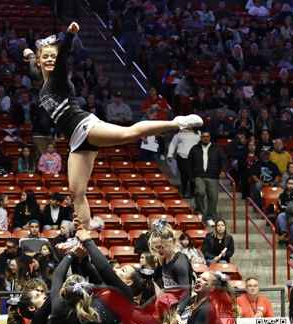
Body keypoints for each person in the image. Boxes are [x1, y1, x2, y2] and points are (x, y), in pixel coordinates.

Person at [23, 22, 202, 229]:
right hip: (75, 141)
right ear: (39, 61)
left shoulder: (58, 77)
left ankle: (177, 123)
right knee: (76, 192)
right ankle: (87, 229)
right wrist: (29, 54)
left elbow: (62, 57)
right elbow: (33, 69)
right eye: (45, 57)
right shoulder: (42, 79)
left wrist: (70, 36)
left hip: (84, 126)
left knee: (128, 133)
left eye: (52, 57)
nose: (49, 60)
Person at [188, 130, 226, 224]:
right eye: (203, 136)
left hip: (213, 176)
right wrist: (191, 176)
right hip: (199, 175)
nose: (205, 138)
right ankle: (200, 212)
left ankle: (210, 217)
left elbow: (223, 160)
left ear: (210, 137)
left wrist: (223, 170)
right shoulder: (194, 148)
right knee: (200, 192)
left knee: (213, 197)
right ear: (201, 138)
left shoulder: (217, 148)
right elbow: (189, 163)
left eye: (207, 136)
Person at [167, 127, 201, 198]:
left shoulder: (198, 133)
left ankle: (192, 192)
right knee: (184, 176)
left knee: (193, 176)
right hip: (182, 157)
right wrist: (170, 154)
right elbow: (173, 144)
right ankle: (184, 191)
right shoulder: (179, 134)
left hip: (194, 158)